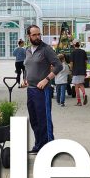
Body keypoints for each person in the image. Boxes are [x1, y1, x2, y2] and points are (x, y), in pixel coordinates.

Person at [22, 25, 64, 154]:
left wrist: (47, 79)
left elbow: (59, 66)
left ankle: (48, 147)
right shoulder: (28, 50)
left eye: (39, 34)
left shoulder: (46, 49)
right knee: (34, 119)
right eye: (34, 35)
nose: (37, 37)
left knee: (44, 119)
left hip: (42, 90)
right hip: (31, 89)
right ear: (28, 36)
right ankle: (38, 145)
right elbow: (27, 67)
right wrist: (25, 79)